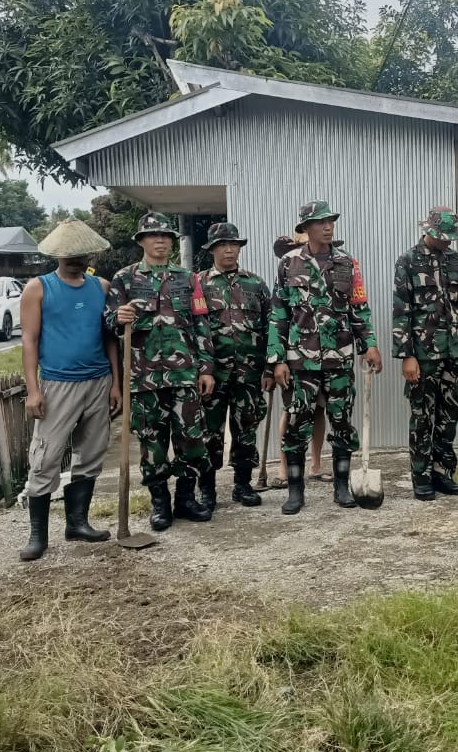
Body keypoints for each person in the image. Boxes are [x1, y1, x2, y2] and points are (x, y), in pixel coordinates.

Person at [266, 201, 381, 514]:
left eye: (330, 221)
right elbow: (279, 314)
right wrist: (276, 360)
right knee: (296, 425)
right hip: (300, 360)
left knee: (342, 422)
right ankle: (295, 491)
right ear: (306, 229)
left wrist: (369, 343)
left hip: (339, 356)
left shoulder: (347, 263)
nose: (328, 227)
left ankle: (342, 486)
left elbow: (359, 308)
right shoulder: (289, 263)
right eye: (320, 223)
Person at [18, 220, 121, 560]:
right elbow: (29, 341)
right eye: (70, 255)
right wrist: (33, 389)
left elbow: (110, 338)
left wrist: (116, 383)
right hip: (57, 383)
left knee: (90, 455)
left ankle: (78, 523)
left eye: (82, 254)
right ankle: (37, 535)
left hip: (98, 381)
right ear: (58, 255)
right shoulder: (39, 288)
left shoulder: (102, 288)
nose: (76, 260)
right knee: (46, 456)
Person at [106, 212, 215, 531]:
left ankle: (185, 499)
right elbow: (110, 323)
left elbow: (201, 323)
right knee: (152, 445)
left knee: (191, 440)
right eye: (154, 236)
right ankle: (159, 504)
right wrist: (119, 317)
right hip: (144, 379)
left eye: (166, 237)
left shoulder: (188, 278)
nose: (160, 241)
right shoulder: (124, 279)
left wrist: (206, 368)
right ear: (141, 241)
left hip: (185, 376)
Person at [392, 206, 458, 501]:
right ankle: (421, 477)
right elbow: (401, 310)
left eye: (451, 237)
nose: (448, 242)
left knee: (449, 416)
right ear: (429, 232)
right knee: (422, 416)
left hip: (455, 352)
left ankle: (443, 473)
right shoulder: (408, 261)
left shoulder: (457, 261)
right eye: (443, 237)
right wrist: (406, 354)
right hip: (423, 355)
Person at [197, 222, 271, 511]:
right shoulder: (199, 284)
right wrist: (201, 370)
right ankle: (207, 489)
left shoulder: (255, 284)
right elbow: (194, 330)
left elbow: (270, 328)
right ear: (212, 249)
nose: (229, 250)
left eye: (234, 244)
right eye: (222, 245)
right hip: (212, 375)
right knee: (209, 433)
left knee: (246, 430)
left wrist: (268, 368)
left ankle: (243, 485)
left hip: (249, 373)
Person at [270, 233, 329, 489]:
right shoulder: (286, 269)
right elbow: (278, 316)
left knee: (319, 409)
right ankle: (284, 467)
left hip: (326, 355)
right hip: (296, 356)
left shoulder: (332, 267)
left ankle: (316, 464)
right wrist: (276, 360)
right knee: (292, 411)